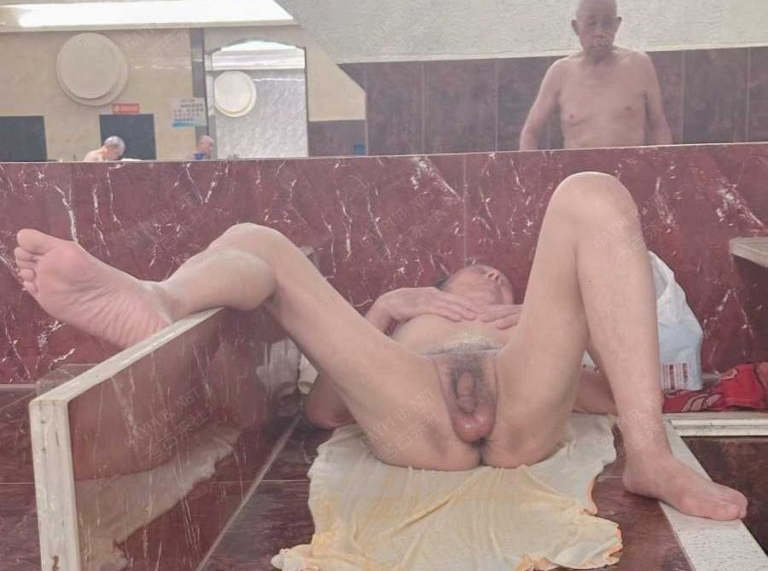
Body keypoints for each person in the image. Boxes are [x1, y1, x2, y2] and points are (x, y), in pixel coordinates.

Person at [12, 171, 746, 521]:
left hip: (523, 392)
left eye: (500, 276)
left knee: (593, 192)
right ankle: (162, 301)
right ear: (439, 285)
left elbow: (611, 394)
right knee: (254, 239)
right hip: (411, 399)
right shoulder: (404, 320)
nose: (491, 275)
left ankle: (651, 461)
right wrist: (387, 308)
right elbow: (328, 412)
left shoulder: (525, 324)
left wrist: (551, 318)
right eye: (473, 273)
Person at [519, 0, 672, 151]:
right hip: (577, 167)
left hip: (630, 167)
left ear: (617, 25)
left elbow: (659, 127)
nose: (599, 32)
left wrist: (665, 165)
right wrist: (529, 167)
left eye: (607, 23)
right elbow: (530, 132)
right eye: (591, 23)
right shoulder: (560, 73)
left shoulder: (639, 65)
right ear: (576, 27)